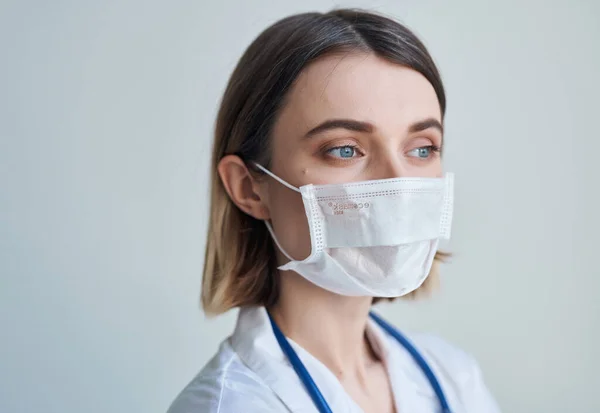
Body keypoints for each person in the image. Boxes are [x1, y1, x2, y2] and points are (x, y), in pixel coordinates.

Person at [168, 8, 500, 413]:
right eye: (345, 149)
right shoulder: (230, 404)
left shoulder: (452, 377)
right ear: (249, 187)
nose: (396, 182)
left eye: (422, 148)